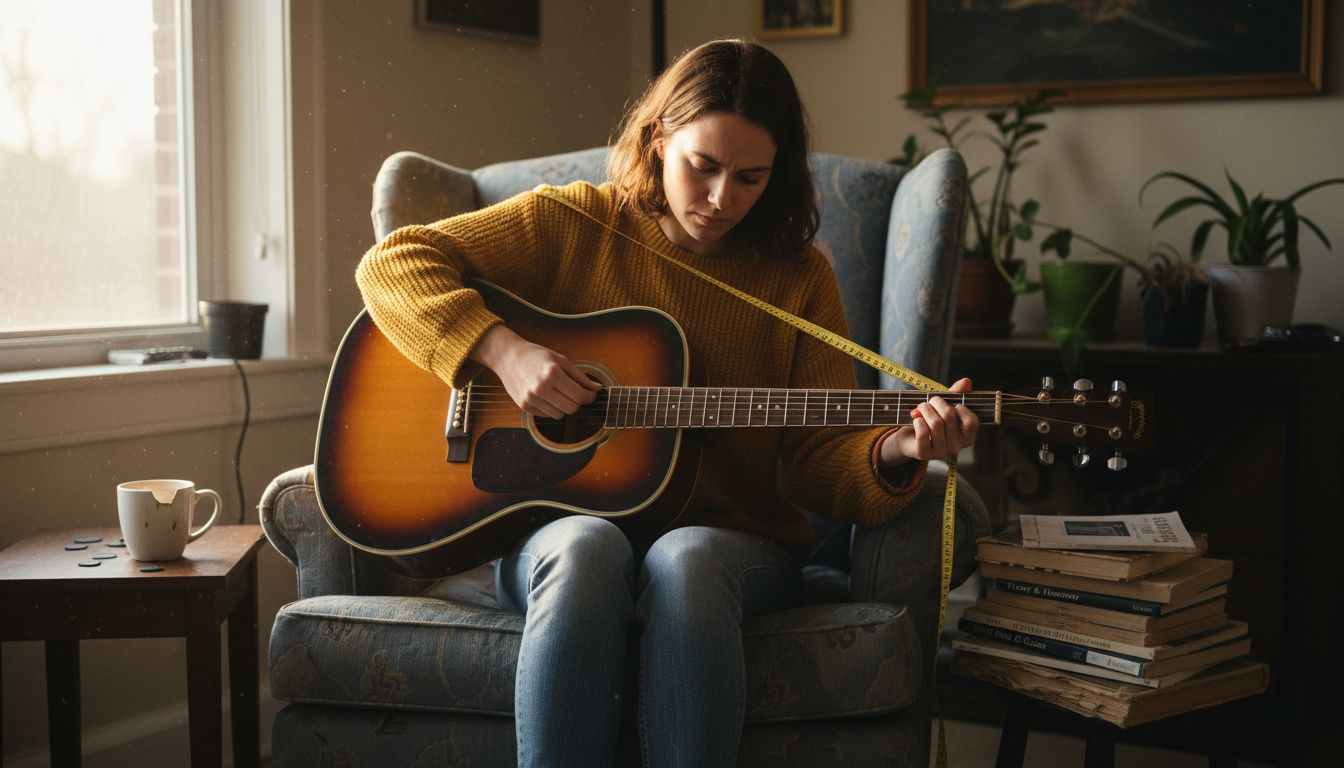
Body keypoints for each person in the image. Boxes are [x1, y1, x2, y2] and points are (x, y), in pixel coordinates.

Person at [355, 38, 978, 768]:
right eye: (702, 166)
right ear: (658, 141)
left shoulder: (798, 278)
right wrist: (502, 351)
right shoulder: (575, 222)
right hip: (555, 528)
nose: (721, 199)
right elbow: (392, 263)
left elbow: (816, 459)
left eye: (750, 177)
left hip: (731, 543)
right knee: (587, 547)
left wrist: (897, 449)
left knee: (687, 560)